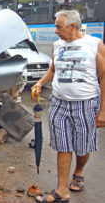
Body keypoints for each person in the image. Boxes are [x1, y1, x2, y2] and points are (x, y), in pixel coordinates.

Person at [32, 10, 105, 203]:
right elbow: (53, 70)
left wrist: (103, 110)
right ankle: (62, 190)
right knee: (63, 146)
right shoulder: (57, 45)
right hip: (59, 103)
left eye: (59, 26)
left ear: (72, 26)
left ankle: (79, 172)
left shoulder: (94, 44)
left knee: (82, 147)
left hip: (86, 104)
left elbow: (104, 77)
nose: (56, 31)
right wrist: (40, 83)